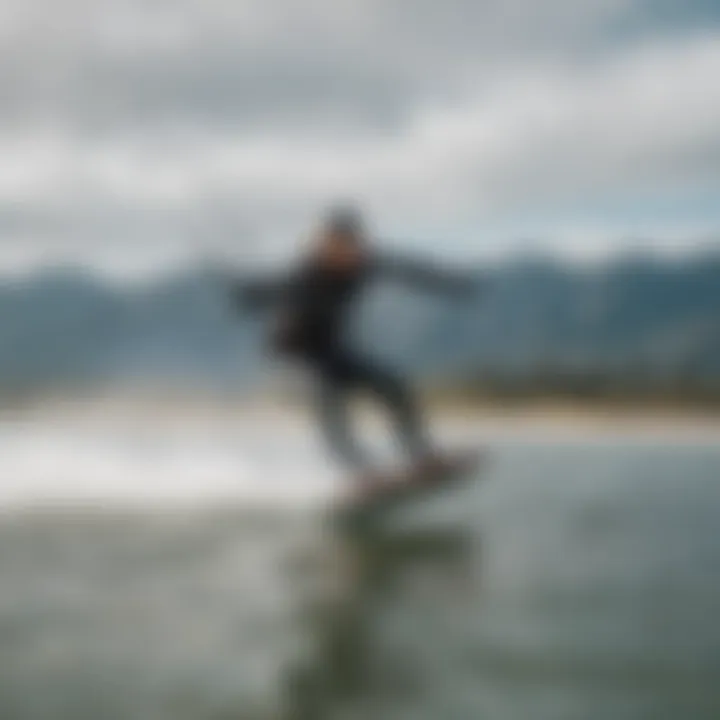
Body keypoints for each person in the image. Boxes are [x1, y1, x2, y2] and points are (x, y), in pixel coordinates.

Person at [230, 206, 482, 493]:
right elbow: (273, 290)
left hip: (333, 353)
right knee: (332, 404)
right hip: (295, 358)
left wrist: (453, 285)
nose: (342, 251)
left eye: (348, 243)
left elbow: (410, 271)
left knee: (393, 386)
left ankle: (422, 458)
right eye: (333, 243)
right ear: (325, 243)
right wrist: (246, 296)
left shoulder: (362, 264)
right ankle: (360, 473)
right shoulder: (308, 273)